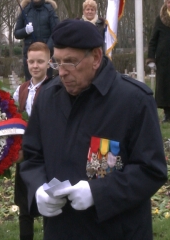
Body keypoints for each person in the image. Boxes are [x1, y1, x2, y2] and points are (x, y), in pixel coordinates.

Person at [19, 19, 168, 239]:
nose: (62, 72)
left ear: (96, 57)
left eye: (70, 62)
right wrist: (37, 187)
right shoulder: (48, 99)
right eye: (57, 62)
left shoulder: (133, 101)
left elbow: (151, 170)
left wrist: (98, 193)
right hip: (61, 230)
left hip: (116, 231)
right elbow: (32, 156)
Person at [13, 42, 53, 240]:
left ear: (49, 63)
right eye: (31, 61)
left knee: (49, 204)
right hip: (24, 154)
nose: (35, 66)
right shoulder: (21, 90)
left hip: (47, 154)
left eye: (40, 61)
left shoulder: (55, 89)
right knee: (24, 206)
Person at [14, 0, 59, 81]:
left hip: (46, 56)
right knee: (30, 82)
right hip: (30, 54)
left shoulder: (49, 9)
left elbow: (56, 32)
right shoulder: (25, 10)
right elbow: (16, 33)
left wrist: (46, 49)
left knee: (46, 83)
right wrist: (25, 30)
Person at [146, 0, 170, 123]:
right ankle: (167, 114)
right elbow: (153, 40)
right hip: (164, 60)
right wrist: (151, 58)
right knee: (165, 86)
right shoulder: (160, 19)